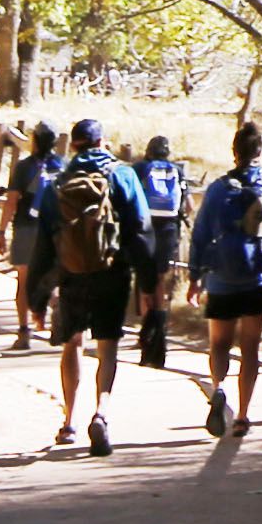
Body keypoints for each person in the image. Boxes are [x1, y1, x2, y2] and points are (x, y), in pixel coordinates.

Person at [41, 115, 154, 452]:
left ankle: (69, 422)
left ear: (73, 145)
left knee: (72, 343)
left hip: (71, 273)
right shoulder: (122, 174)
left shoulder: (60, 178)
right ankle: (101, 412)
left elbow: (45, 237)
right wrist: (148, 284)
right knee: (107, 346)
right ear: (103, 142)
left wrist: (39, 289)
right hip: (112, 272)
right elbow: (141, 230)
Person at [185, 122, 262, 438]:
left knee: (219, 344)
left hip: (221, 278)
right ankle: (244, 415)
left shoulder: (219, 189)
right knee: (250, 348)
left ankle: (219, 387)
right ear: (259, 151)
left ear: (234, 152)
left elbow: (201, 234)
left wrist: (195, 276)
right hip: (258, 279)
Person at [130, 131, 191, 371]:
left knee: (145, 280)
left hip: (145, 225)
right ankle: (159, 331)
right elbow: (186, 203)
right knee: (160, 279)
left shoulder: (140, 168)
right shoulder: (177, 170)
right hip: (168, 227)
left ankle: (147, 328)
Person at [3, 125, 65, 349]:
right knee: (55, 275)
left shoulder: (24, 167)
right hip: (57, 230)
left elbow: (11, 200)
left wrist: (1, 231)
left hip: (27, 228)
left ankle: (24, 331)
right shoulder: (63, 165)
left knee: (23, 280)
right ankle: (56, 305)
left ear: (35, 141)